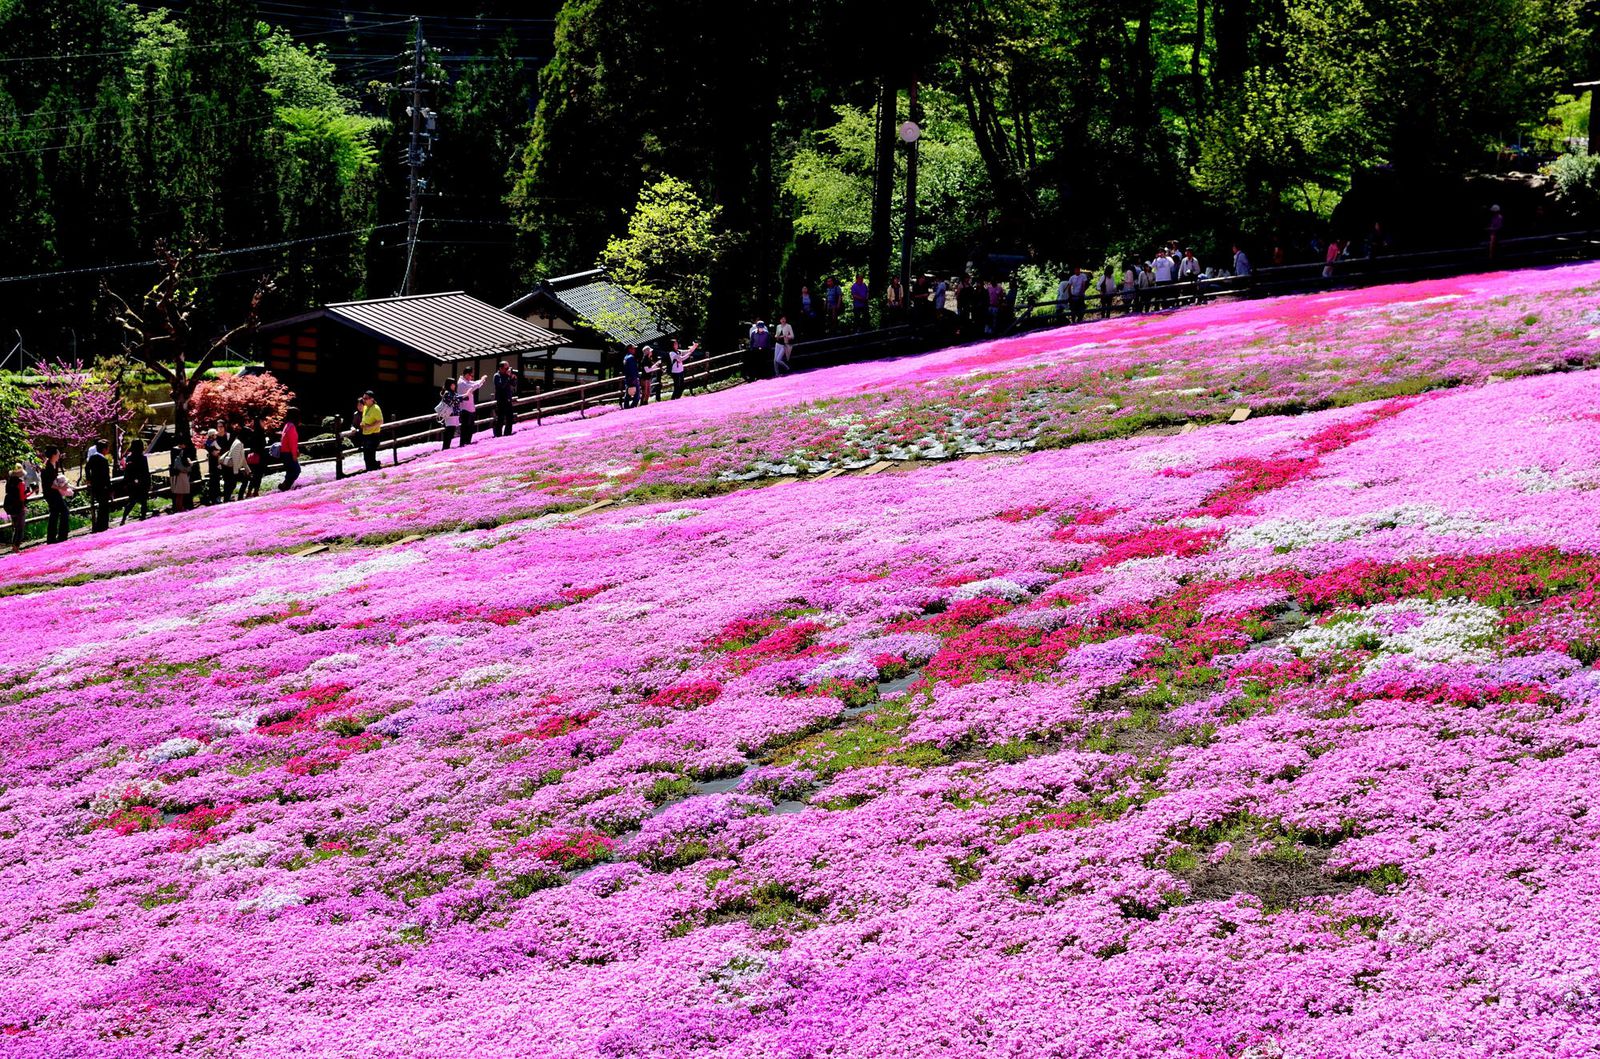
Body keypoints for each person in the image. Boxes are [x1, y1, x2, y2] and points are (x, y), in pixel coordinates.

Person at [40, 447, 70, 544]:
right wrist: (62, 488)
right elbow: (50, 484)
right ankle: (61, 536)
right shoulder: (47, 466)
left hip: (54, 492)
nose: (59, 454)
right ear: (53, 455)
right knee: (64, 511)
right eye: (58, 453)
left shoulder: (54, 464)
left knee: (55, 513)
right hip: (50, 493)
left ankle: (52, 538)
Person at [120, 439, 151, 524]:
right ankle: (143, 517)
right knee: (144, 501)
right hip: (143, 482)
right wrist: (149, 483)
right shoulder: (143, 458)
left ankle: (123, 518)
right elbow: (146, 471)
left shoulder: (129, 458)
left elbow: (127, 472)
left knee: (132, 501)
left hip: (132, 482)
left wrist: (126, 482)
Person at [85, 440, 112, 533]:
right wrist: (109, 487)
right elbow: (106, 476)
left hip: (95, 485)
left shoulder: (92, 457)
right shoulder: (103, 460)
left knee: (100, 505)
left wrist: (89, 479)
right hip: (103, 485)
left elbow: (86, 468)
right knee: (104, 506)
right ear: (104, 449)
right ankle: (103, 525)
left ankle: (99, 525)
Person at [455, 369, 484, 445]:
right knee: (465, 428)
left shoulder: (467, 382)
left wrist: (481, 381)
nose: (472, 377)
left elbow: (474, 383)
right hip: (465, 409)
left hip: (470, 408)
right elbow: (473, 386)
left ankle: (467, 444)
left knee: (470, 428)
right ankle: (463, 444)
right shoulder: (461, 383)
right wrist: (481, 380)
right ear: (467, 375)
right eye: (471, 375)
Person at [4, 465, 28, 553]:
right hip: (19, 507)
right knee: (20, 528)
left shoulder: (9, 483)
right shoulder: (20, 483)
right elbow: (22, 498)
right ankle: (16, 547)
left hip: (10, 507)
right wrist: (30, 492)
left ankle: (14, 546)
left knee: (15, 527)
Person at [358, 391, 383, 471]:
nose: (364, 400)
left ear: (372, 399)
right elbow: (364, 419)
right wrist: (362, 424)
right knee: (366, 457)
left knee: (370, 456)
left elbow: (380, 421)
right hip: (365, 435)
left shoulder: (376, 408)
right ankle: (372, 470)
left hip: (373, 435)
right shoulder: (365, 407)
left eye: (366, 398)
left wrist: (370, 426)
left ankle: (373, 471)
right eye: (363, 398)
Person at [243, 416, 267, 498]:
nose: (264, 422)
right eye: (262, 421)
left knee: (254, 475)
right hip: (260, 456)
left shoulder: (254, 432)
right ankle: (255, 491)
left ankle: (249, 491)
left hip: (253, 456)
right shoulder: (260, 432)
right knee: (258, 475)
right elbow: (263, 444)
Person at [278, 408, 302, 491]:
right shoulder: (291, 427)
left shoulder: (287, 425)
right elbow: (292, 442)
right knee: (296, 470)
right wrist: (294, 454)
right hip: (289, 453)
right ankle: (285, 486)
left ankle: (285, 486)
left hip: (285, 452)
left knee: (290, 471)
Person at [493, 361, 517, 437]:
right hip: (501, 400)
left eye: (508, 367)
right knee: (500, 419)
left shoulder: (507, 375)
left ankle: (508, 434)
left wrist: (512, 378)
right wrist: (507, 376)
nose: (508, 369)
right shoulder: (497, 376)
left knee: (510, 419)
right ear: (500, 368)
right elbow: (501, 386)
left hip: (508, 400)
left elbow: (513, 384)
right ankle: (498, 435)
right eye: (506, 368)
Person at [225, 428, 250, 500]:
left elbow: (243, 459)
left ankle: (230, 498)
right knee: (235, 483)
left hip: (233, 468)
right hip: (232, 468)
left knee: (233, 484)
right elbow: (235, 458)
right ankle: (238, 497)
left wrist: (248, 469)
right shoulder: (238, 444)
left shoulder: (239, 442)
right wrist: (235, 472)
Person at [437, 380, 463, 449]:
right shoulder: (447, 393)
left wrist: (461, 398)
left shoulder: (454, 393)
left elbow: (459, 399)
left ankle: (447, 447)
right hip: (450, 415)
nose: (454, 386)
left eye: (454, 384)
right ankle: (445, 447)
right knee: (449, 432)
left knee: (451, 432)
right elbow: (454, 400)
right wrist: (462, 397)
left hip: (455, 415)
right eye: (453, 384)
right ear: (449, 385)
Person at [203, 428, 223, 505]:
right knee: (215, 481)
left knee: (215, 480)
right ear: (212, 435)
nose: (216, 435)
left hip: (214, 464)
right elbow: (218, 450)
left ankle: (214, 497)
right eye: (215, 434)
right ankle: (215, 497)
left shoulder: (207, 443)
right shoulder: (212, 443)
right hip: (214, 464)